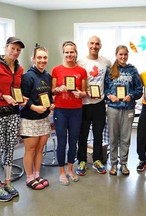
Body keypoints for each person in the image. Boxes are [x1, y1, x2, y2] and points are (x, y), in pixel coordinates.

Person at [51, 41, 87, 185]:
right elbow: (52, 90)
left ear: (75, 53)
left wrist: (81, 94)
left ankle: (70, 169)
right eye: (67, 52)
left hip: (76, 111)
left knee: (73, 141)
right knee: (62, 142)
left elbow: (85, 92)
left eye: (72, 52)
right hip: (60, 110)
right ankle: (61, 172)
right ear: (63, 53)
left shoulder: (81, 71)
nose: (69, 54)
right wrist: (58, 89)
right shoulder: (56, 70)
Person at [104, 45, 142, 176]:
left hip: (128, 109)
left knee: (125, 138)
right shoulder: (110, 70)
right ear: (116, 55)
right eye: (120, 54)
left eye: (125, 54)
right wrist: (110, 96)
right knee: (113, 137)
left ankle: (124, 164)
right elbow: (104, 89)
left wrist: (130, 96)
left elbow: (139, 90)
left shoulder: (132, 70)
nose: (123, 57)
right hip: (113, 109)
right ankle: (113, 164)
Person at [76, 36, 111, 176]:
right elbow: (77, 82)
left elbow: (110, 80)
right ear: (87, 44)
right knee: (82, 134)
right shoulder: (80, 62)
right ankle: (82, 161)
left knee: (98, 134)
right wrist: (85, 92)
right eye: (92, 43)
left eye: (97, 44)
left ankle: (97, 160)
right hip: (84, 105)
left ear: (100, 46)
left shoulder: (106, 62)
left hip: (99, 104)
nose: (94, 46)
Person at [20, 45, 53, 190]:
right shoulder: (27, 76)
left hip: (44, 119)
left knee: (40, 148)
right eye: (39, 57)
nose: (42, 60)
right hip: (30, 119)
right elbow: (23, 99)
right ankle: (29, 177)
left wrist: (51, 105)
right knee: (31, 150)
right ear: (33, 59)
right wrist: (34, 107)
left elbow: (49, 96)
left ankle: (37, 174)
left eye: (45, 57)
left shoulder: (48, 76)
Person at [0, 37, 26, 201]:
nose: (15, 52)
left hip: (13, 113)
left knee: (9, 148)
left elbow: (17, 90)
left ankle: (7, 182)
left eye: (18, 50)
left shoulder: (20, 69)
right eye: (12, 48)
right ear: (5, 47)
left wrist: (21, 98)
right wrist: (3, 96)